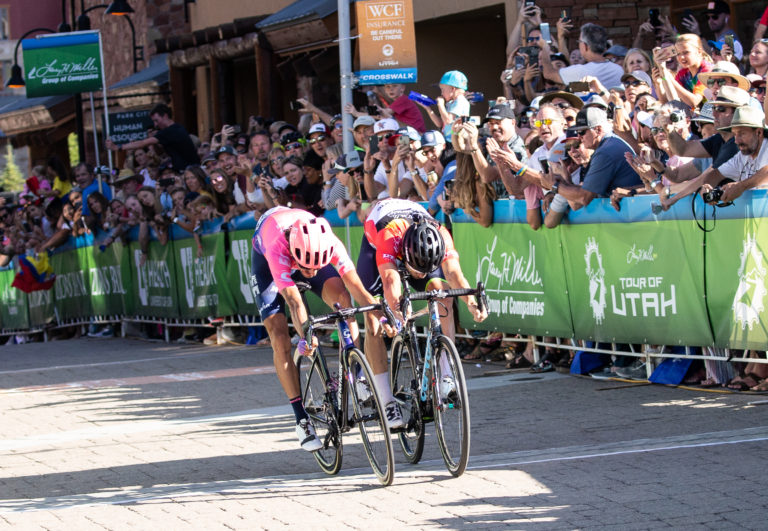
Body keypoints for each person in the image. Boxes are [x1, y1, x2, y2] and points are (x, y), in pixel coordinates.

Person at [249, 208, 393, 451]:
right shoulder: (276, 246)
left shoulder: (328, 242)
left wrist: (379, 311)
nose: (312, 274)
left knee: (344, 300)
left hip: (310, 249)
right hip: (269, 262)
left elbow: (357, 287)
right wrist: (306, 334)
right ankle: (301, 419)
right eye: (308, 269)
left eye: (316, 268)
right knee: (279, 335)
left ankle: (356, 374)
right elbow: (294, 301)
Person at [355, 199, 488, 418]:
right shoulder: (389, 237)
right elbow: (390, 280)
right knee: (374, 318)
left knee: (442, 294)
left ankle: (446, 375)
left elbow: (454, 275)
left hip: (418, 240)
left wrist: (471, 303)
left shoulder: (441, 235)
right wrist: (395, 314)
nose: (421, 275)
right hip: (379, 245)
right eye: (418, 270)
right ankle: (387, 401)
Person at [547, 107, 640, 207]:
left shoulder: (605, 151)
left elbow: (582, 198)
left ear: (598, 129)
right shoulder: (609, 144)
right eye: (577, 132)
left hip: (634, 213)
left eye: (582, 132)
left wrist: (555, 185)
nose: (579, 137)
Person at [106, 103, 200, 171]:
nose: (155, 125)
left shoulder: (170, 131)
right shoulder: (178, 128)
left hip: (188, 170)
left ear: (165, 116)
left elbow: (142, 143)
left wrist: (118, 147)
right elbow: (160, 152)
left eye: (156, 120)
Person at [539, 23, 625, 91]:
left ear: (585, 46)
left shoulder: (581, 71)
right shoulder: (619, 70)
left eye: (579, 41)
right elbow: (572, 88)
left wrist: (545, 48)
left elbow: (548, 74)